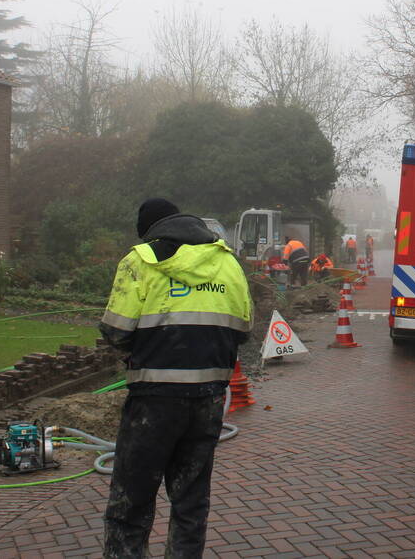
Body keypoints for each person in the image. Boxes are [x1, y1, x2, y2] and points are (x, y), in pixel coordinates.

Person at [99, 198, 252, 559]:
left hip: (153, 401)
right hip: (208, 400)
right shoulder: (228, 263)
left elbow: (116, 332)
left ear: (150, 231)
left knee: (131, 502)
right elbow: (242, 330)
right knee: (190, 502)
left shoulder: (140, 261)